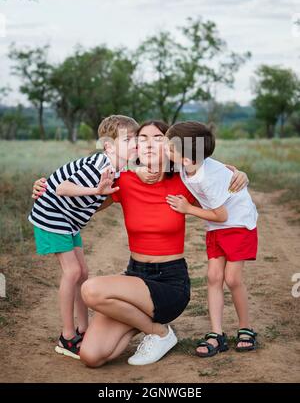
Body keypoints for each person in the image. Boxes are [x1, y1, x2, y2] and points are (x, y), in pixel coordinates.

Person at [32, 120, 248, 367]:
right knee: (91, 356)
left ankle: (159, 333)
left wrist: (240, 174)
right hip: (135, 277)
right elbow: (83, 196)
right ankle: (154, 328)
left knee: (91, 289)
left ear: (169, 146)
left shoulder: (184, 180)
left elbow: (216, 175)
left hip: (170, 283)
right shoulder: (122, 180)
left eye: (157, 138)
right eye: (142, 138)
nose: (148, 143)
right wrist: (44, 188)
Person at [28, 115, 138, 359]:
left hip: (69, 220)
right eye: (129, 139)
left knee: (83, 273)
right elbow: (61, 188)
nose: (135, 144)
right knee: (73, 273)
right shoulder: (101, 165)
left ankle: (83, 328)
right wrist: (96, 190)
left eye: (136, 139)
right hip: (52, 215)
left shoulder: (120, 167)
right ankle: (67, 337)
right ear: (109, 145)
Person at [165, 121, 258, 357]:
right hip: (217, 227)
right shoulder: (187, 164)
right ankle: (217, 333)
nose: (166, 150)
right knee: (213, 276)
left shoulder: (208, 176)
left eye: (169, 147)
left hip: (238, 224)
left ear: (186, 159)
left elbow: (222, 214)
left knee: (232, 278)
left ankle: (245, 328)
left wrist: (187, 209)